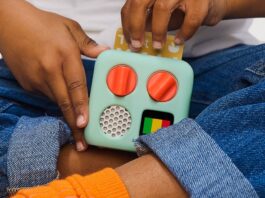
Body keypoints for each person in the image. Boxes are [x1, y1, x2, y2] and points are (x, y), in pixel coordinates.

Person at [0, 0, 264, 197]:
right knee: (248, 140)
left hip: (217, 65)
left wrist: (222, 4)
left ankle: (85, 181)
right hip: (36, 69)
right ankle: (203, 162)